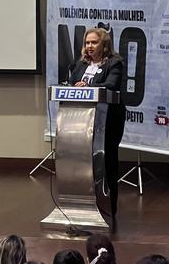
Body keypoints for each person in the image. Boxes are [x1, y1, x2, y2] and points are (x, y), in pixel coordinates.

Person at [68, 28, 126, 216]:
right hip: (81, 121)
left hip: (108, 120)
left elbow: (111, 85)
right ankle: (81, 205)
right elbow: (71, 83)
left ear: (104, 44)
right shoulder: (80, 64)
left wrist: (88, 86)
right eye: (87, 43)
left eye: (94, 42)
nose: (89, 46)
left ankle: (108, 208)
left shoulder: (114, 63)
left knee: (107, 161)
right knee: (83, 162)